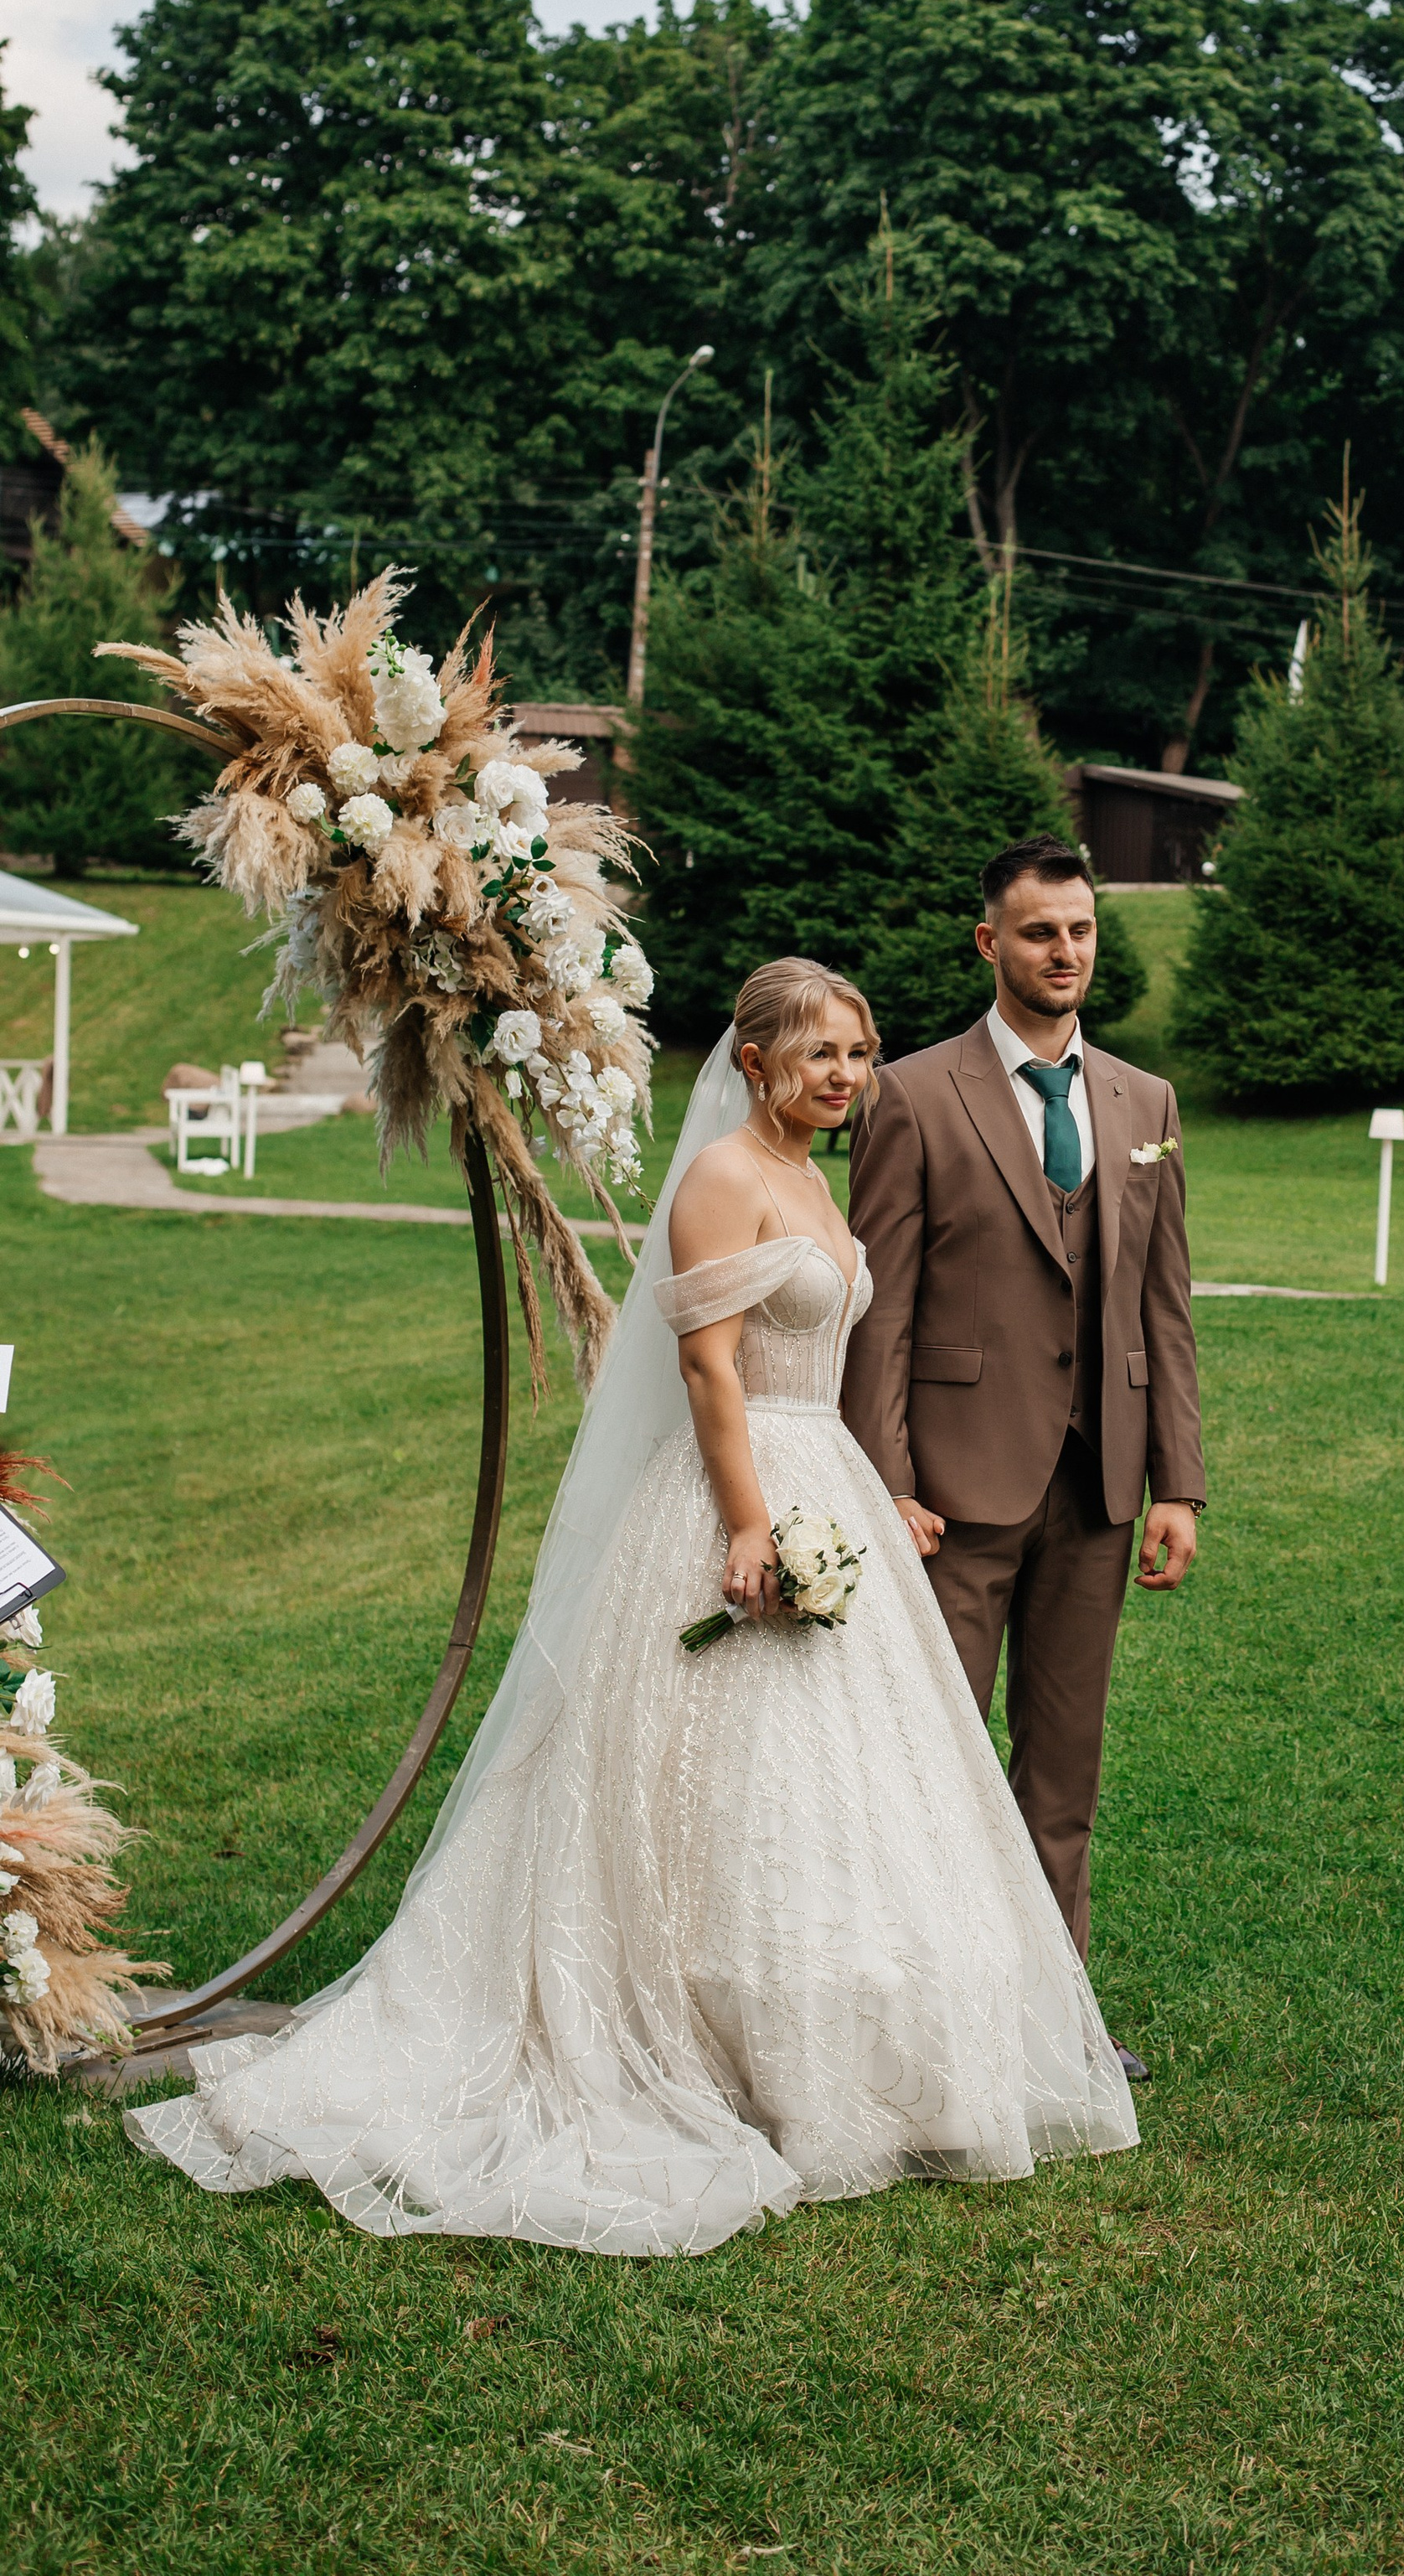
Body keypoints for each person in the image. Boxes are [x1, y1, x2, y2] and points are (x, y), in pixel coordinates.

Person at [125, 959, 1136, 2253]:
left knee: (850, 1779)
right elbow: (712, 1369)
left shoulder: (814, 1179)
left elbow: (810, 1364)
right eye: (822, 1053)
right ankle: (705, 2024)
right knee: (715, 1762)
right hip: (739, 1487)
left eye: (861, 1051)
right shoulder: (723, 1176)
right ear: (754, 1059)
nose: (848, 1075)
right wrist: (753, 1522)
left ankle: (858, 2038)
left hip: (822, 1462)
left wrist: (878, 1494)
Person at [841, 835, 1205, 2077]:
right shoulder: (911, 1095)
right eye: (1041, 932)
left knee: (1064, 1768)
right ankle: (926, 2020)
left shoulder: (1143, 1104)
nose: (1066, 953)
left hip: (1100, 1487)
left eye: (1083, 931)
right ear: (989, 943)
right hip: (950, 1490)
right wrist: (879, 1479)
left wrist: (1181, 1485)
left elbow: (1166, 1305)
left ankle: (1056, 2024)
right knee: (931, 1763)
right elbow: (876, 1309)